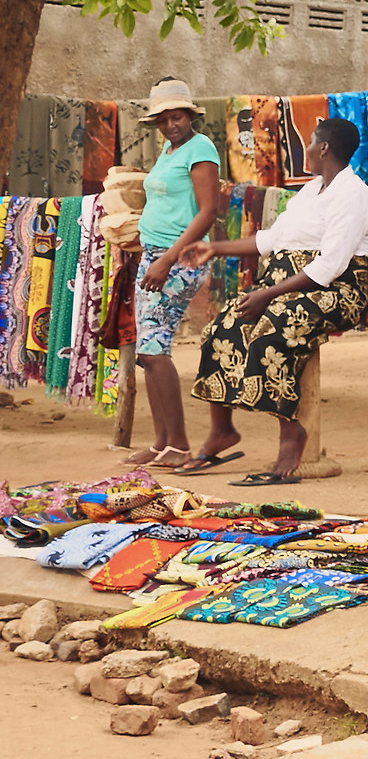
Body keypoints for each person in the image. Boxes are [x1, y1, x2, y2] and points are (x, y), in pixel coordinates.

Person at [182, 118, 368, 485]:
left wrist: (268, 295)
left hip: (339, 291)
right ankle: (222, 431)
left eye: (310, 142)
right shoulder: (310, 191)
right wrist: (215, 248)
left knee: (271, 331)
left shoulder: (352, 195)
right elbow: (272, 240)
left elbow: (330, 266)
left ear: (324, 148)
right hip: (288, 287)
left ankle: (292, 434)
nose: (306, 149)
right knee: (222, 328)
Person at [123, 79, 224, 469]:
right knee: (148, 353)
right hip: (154, 256)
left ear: (190, 115)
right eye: (163, 120)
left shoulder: (201, 148)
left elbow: (208, 211)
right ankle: (162, 442)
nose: (170, 125)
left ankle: (179, 445)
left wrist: (167, 259)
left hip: (178, 260)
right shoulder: (169, 151)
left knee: (154, 349)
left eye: (176, 117)